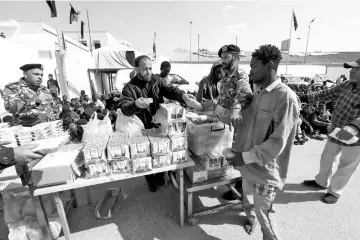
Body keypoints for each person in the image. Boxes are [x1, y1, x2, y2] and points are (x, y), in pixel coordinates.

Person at [221, 44, 300, 239]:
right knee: (249, 204)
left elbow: (277, 143)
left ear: (270, 65)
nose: (250, 70)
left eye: (254, 66)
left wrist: (244, 157)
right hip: (248, 166)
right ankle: (251, 219)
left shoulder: (285, 97)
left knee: (266, 218)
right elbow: (242, 123)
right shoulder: (257, 94)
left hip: (265, 171)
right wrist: (216, 109)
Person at [119, 55, 202, 192]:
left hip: (159, 125)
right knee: (144, 156)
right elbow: (125, 108)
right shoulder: (129, 88)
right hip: (141, 128)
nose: (148, 72)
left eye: (150, 68)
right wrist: (135, 104)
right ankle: (151, 181)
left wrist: (184, 97)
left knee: (160, 152)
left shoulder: (157, 81)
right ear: (137, 69)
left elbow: (171, 90)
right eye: (145, 69)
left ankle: (160, 175)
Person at [301, 58, 360, 204]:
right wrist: (304, 97)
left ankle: (335, 192)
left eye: (355, 69)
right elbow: (326, 94)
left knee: (346, 165)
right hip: (336, 130)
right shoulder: (347, 84)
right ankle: (321, 181)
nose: (351, 71)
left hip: (354, 136)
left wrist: (355, 126)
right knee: (327, 157)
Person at [203, 44, 253, 201]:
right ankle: (238, 187)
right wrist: (213, 106)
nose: (223, 60)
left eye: (227, 57)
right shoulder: (224, 74)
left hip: (239, 122)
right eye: (222, 57)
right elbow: (225, 97)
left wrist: (237, 108)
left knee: (241, 156)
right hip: (227, 119)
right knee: (232, 154)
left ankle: (243, 193)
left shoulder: (241, 74)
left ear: (236, 57)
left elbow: (244, 93)